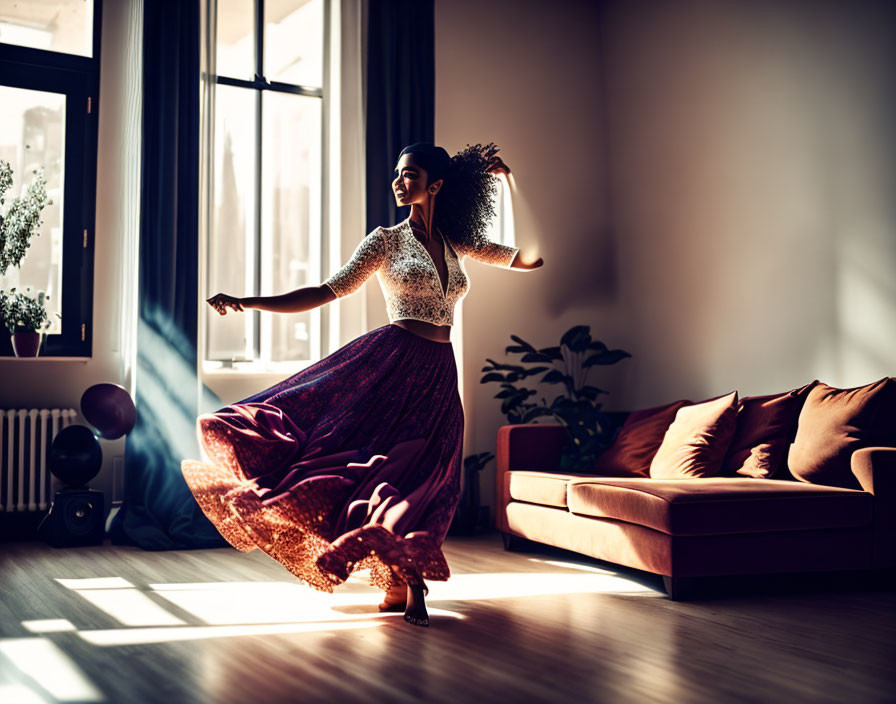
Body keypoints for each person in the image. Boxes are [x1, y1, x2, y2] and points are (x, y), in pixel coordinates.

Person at [181, 142, 544, 627]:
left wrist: (511, 183)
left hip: (438, 373)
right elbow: (326, 290)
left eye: (409, 175)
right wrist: (250, 301)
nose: (398, 182)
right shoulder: (385, 241)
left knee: (427, 477)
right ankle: (411, 584)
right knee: (381, 469)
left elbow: (532, 258)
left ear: (435, 185)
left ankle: (396, 580)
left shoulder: (459, 242)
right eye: (396, 174)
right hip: (390, 364)